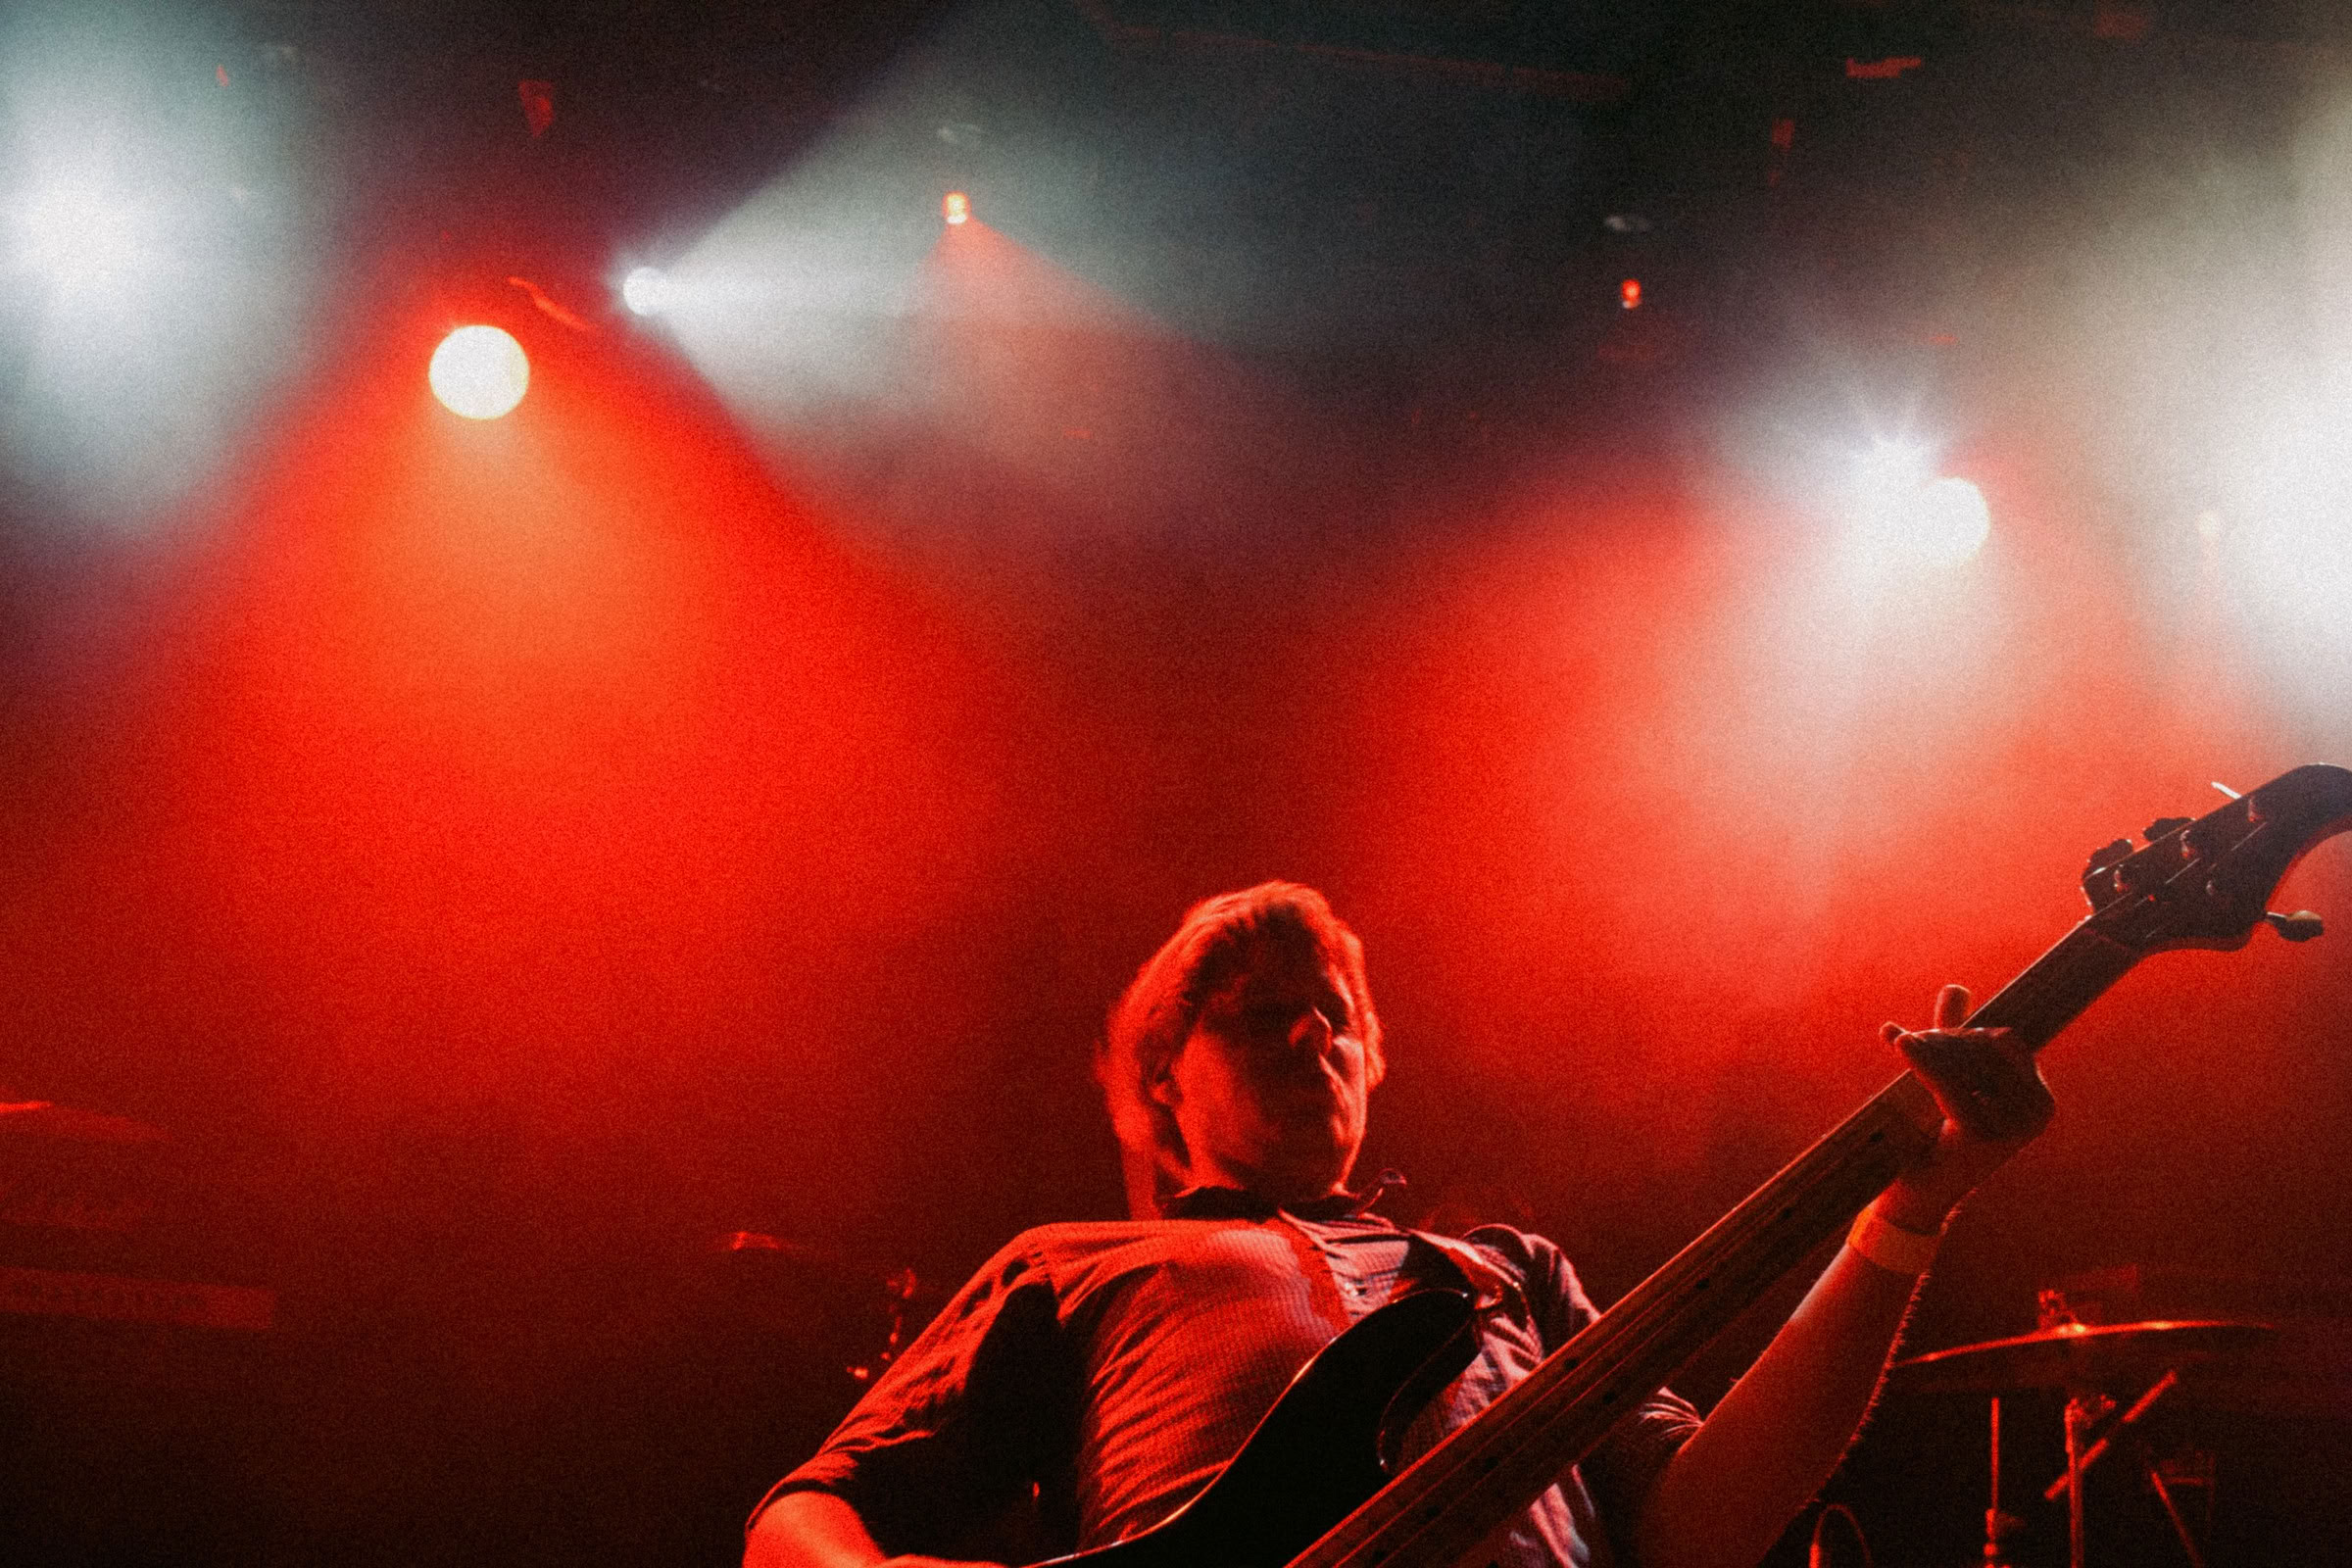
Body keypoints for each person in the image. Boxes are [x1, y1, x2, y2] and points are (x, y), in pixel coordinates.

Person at [745, 882, 2053, 1568]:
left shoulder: (1506, 1274)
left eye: (1335, 1017)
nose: (1312, 1032)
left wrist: (1907, 1216)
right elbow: (800, 1516)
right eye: (1261, 1017)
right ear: (1163, 1082)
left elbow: (1699, 1525)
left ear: (1372, 1068)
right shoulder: (1074, 1262)